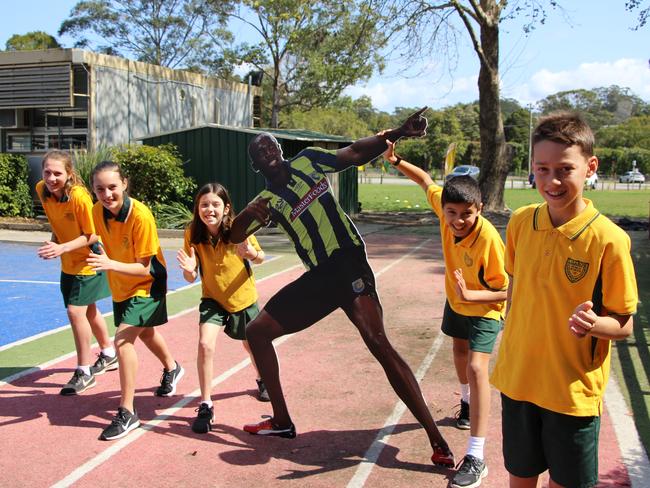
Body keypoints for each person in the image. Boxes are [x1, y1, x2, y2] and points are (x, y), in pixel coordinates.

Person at [230, 108, 455, 467]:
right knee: (256, 333)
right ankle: (283, 421)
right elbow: (233, 235)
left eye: (271, 146)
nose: (268, 153)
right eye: (260, 153)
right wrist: (245, 218)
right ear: (256, 165)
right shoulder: (266, 202)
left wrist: (398, 132)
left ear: (280, 150)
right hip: (320, 278)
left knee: (378, 342)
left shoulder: (308, 162)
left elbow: (352, 154)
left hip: (347, 262)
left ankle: (436, 438)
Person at [490, 112, 638, 488]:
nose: (551, 180)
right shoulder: (521, 222)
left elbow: (624, 323)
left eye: (564, 169)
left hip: (571, 392)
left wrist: (595, 325)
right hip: (518, 379)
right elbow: (519, 287)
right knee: (520, 475)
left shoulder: (609, 239)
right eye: (541, 169)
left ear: (590, 167)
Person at [384, 141, 507, 487]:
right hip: (457, 303)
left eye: (466, 213)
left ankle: (476, 456)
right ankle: (466, 404)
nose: (457, 220)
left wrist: (473, 294)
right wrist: (396, 160)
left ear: (480, 209)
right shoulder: (444, 208)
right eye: (451, 213)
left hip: (485, 308)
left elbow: (510, 290)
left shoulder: (490, 243)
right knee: (458, 351)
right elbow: (425, 181)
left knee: (476, 366)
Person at [88, 161, 185, 441]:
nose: (107, 194)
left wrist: (108, 262)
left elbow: (144, 267)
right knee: (145, 333)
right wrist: (96, 250)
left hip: (147, 285)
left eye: (112, 187)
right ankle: (172, 367)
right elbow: (95, 236)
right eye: (100, 189)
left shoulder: (140, 216)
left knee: (122, 340)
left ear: (125, 184)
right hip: (121, 286)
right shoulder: (97, 211)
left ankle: (127, 412)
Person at [177, 182, 270, 434]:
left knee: (251, 344)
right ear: (197, 208)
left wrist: (250, 253)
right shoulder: (192, 234)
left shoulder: (240, 227)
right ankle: (206, 404)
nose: (210, 209)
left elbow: (260, 257)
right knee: (205, 344)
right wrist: (188, 271)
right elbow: (191, 275)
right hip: (213, 299)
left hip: (242, 298)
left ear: (226, 207)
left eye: (215, 204)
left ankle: (262, 380)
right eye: (204, 205)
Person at [36, 150, 116, 396]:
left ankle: (84, 371)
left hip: (89, 259)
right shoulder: (42, 190)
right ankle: (109, 353)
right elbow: (57, 223)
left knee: (75, 311)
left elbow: (93, 234)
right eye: (47, 172)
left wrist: (62, 247)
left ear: (69, 173)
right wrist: (55, 244)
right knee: (89, 309)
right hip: (69, 262)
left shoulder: (80, 197)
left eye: (57, 173)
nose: (51, 178)